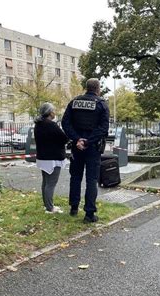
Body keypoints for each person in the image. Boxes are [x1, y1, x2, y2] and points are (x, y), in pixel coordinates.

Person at [62, 78, 110, 223]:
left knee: (75, 177)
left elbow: (65, 123)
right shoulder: (102, 105)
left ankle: (74, 207)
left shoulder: (74, 102)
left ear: (86, 87)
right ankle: (89, 214)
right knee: (91, 180)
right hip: (93, 148)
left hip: (77, 148)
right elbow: (103, 128)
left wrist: (77, 139)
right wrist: (88, 141)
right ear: (98, 88)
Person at [34, 102, 69, 214]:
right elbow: (64, 138)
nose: (55, 112)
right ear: (49, 112)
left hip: (43, 158)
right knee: (51, 183)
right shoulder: (51, 125)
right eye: (53, 110)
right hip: (53, 159)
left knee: (45, 182)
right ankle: (50, 208)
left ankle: (47, 205)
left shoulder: (38, 124)